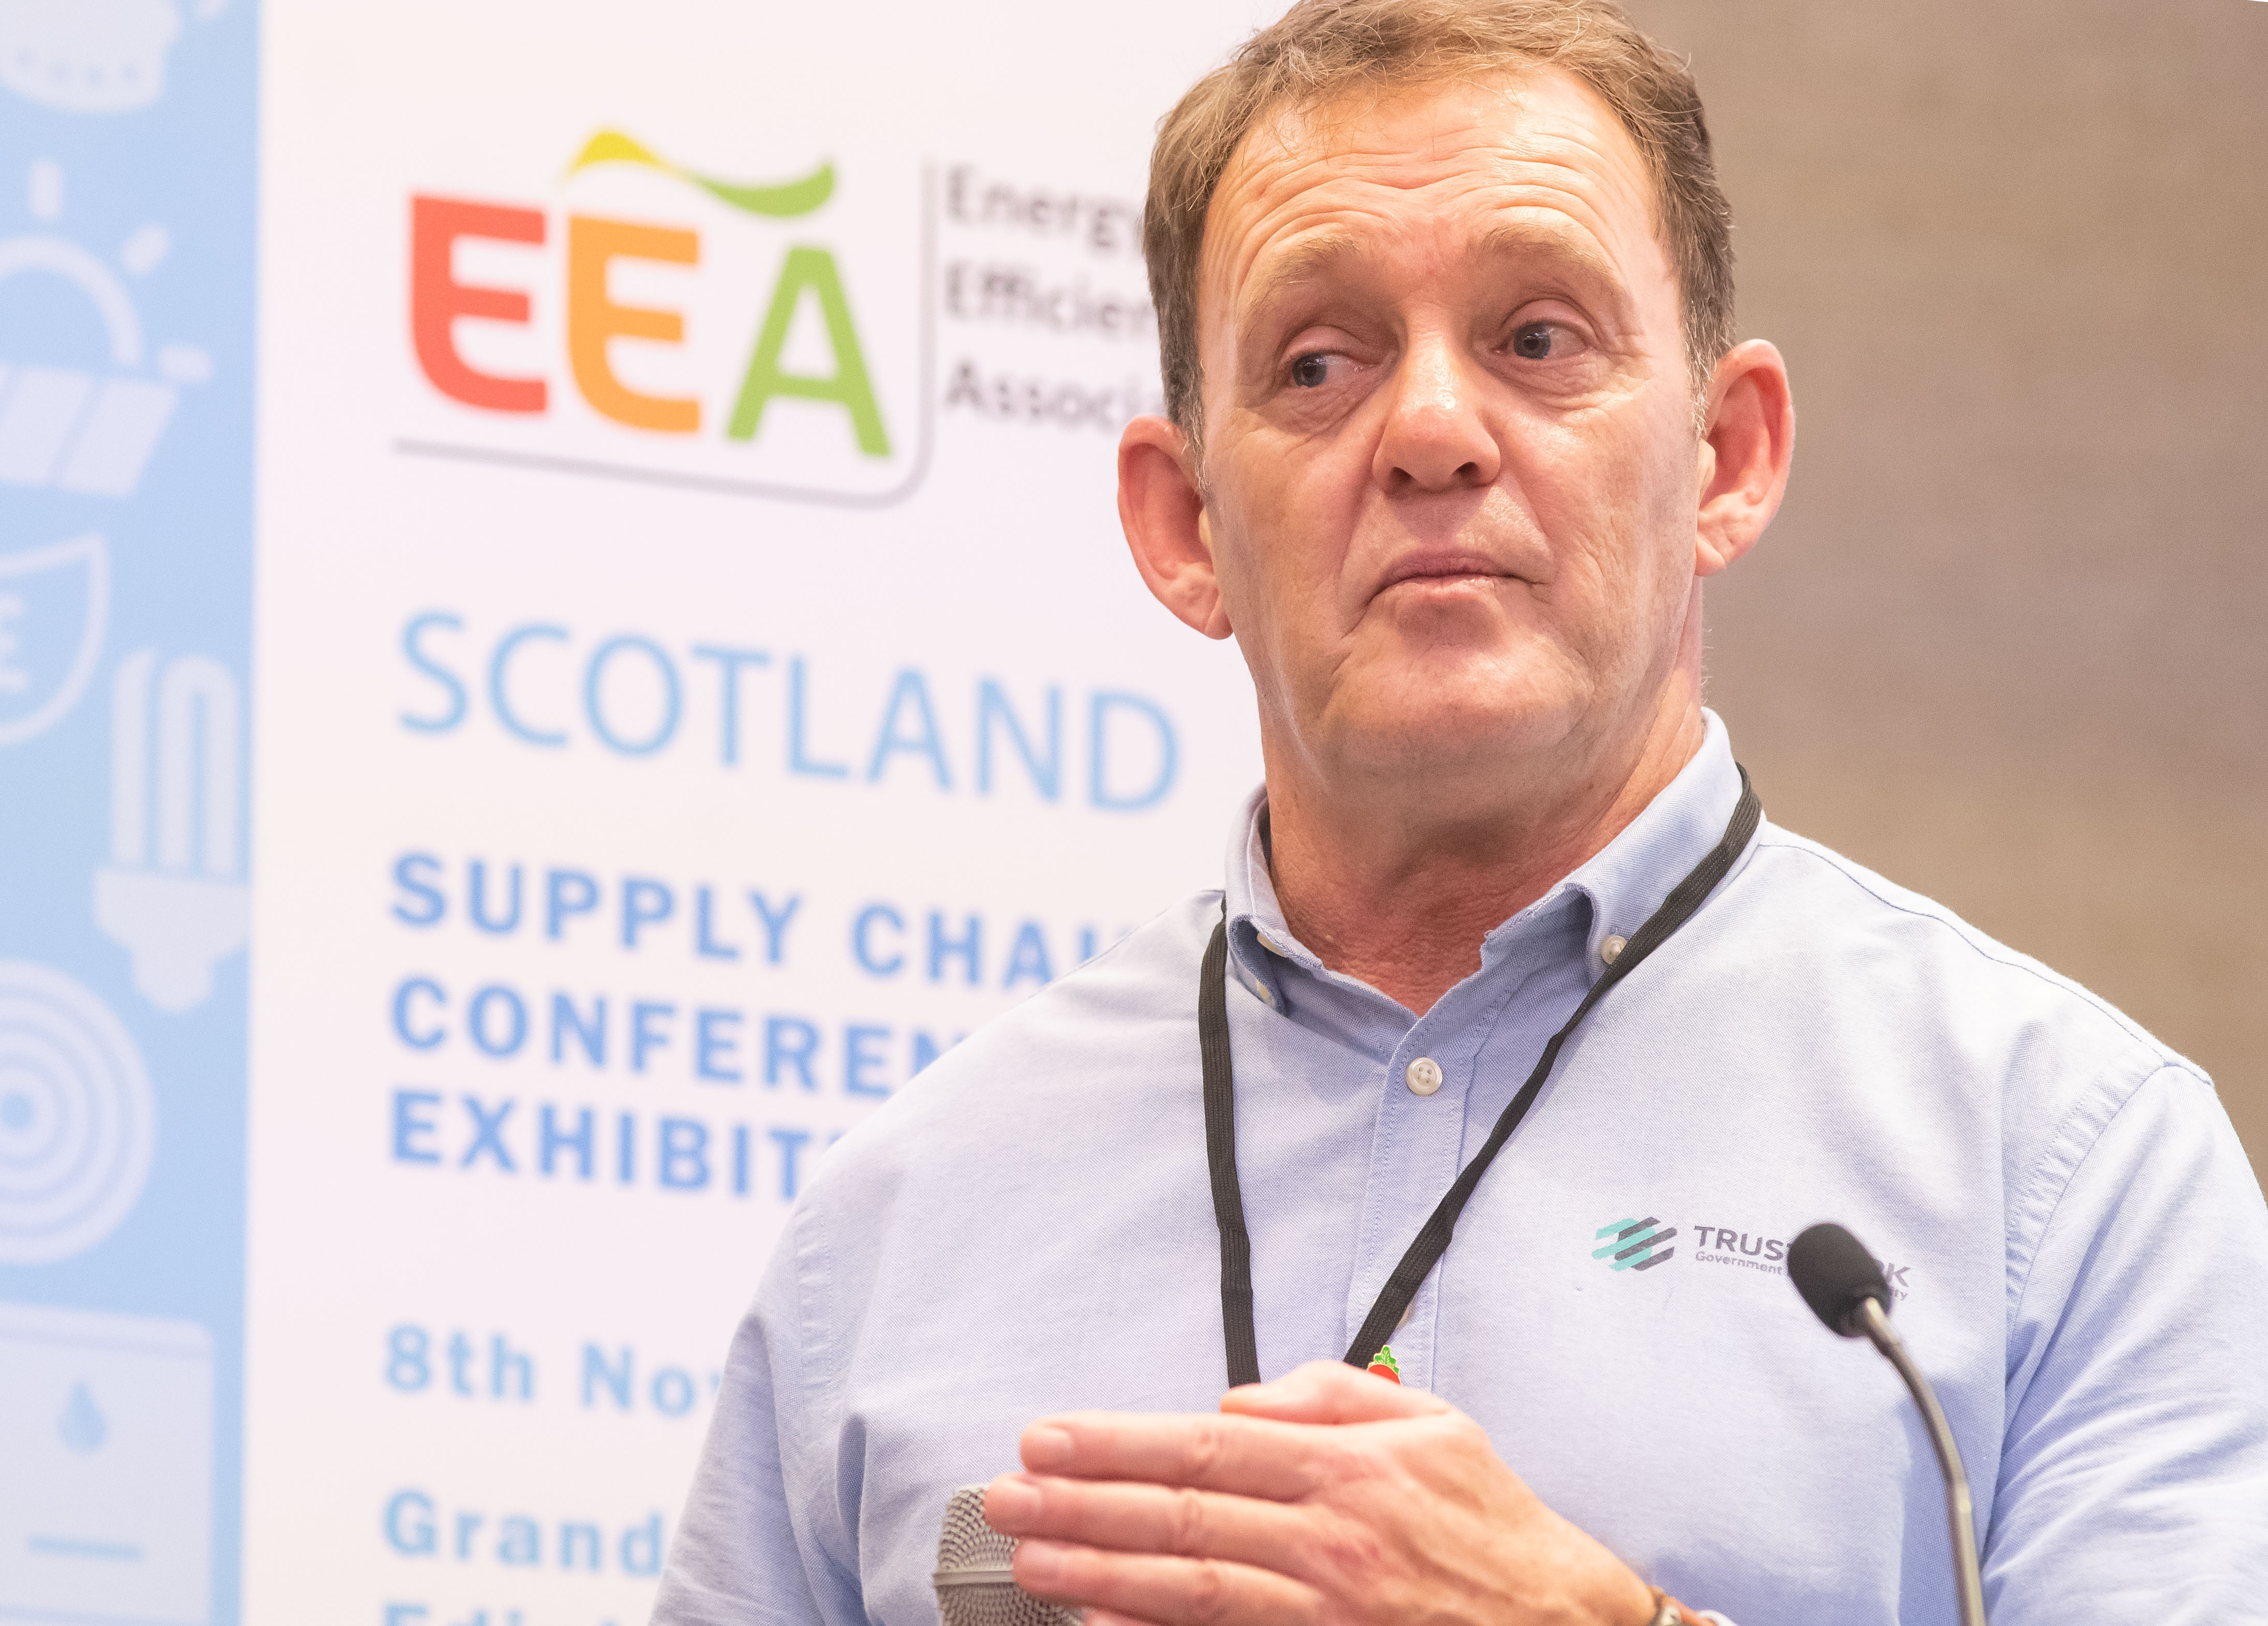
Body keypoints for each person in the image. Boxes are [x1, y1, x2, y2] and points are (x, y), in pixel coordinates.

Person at [650, 1, 2268, 1621]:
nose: (1429, 432)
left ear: (1724, 459)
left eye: (1538, 340)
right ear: (1184, 526)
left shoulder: (2067, 1172)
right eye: (1317, 364)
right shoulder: (896, 1233)